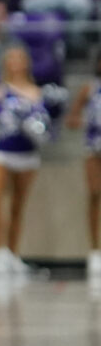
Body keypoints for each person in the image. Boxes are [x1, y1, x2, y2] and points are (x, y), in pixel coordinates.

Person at [0, 47, 67, 296]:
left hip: (27, 154)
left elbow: (49, 122)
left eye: (20, 59)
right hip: (1, 150)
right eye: (11, 60)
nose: (16, 64)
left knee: (18, 205)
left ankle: (13, 253)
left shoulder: (38, 93)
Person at [72, 59, 101, 293]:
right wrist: (84, 121)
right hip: (94, 148)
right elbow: (72, 120)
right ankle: (94, 251)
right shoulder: (89, 88)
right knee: (94, 194)